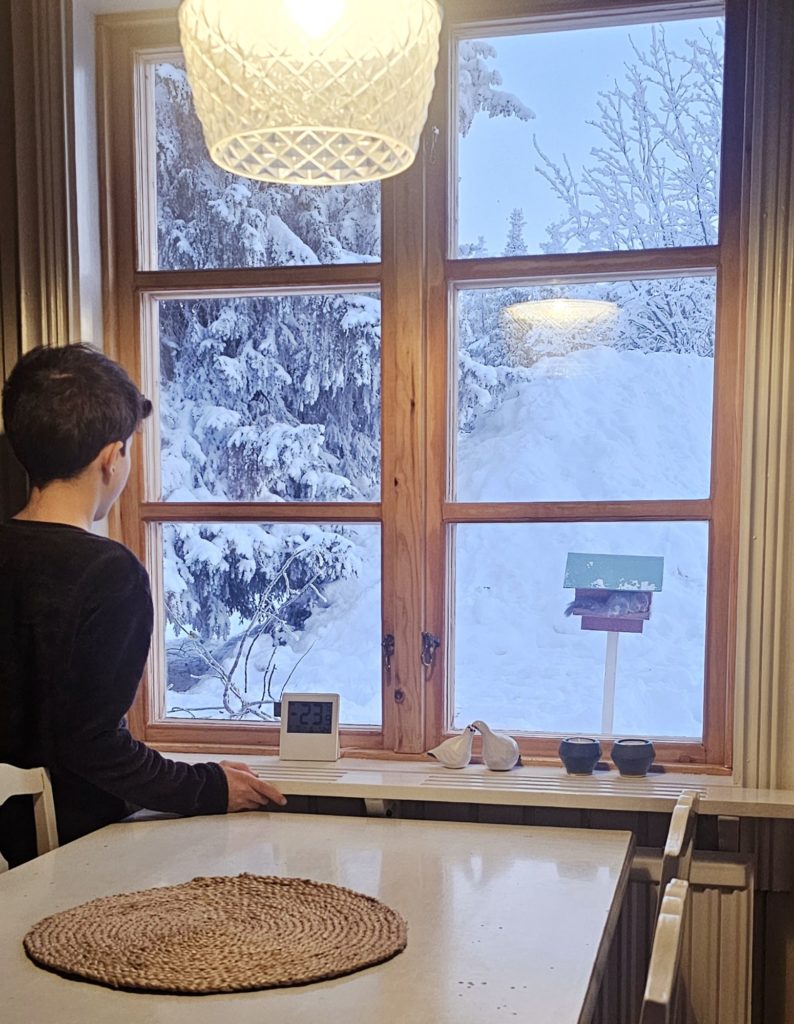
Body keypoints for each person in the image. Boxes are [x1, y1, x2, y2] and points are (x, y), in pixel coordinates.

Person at [0, 343, 285, 868]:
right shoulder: (109, 573)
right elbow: (92, 747)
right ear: (112, 459)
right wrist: (208, 787)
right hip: (62, 859)